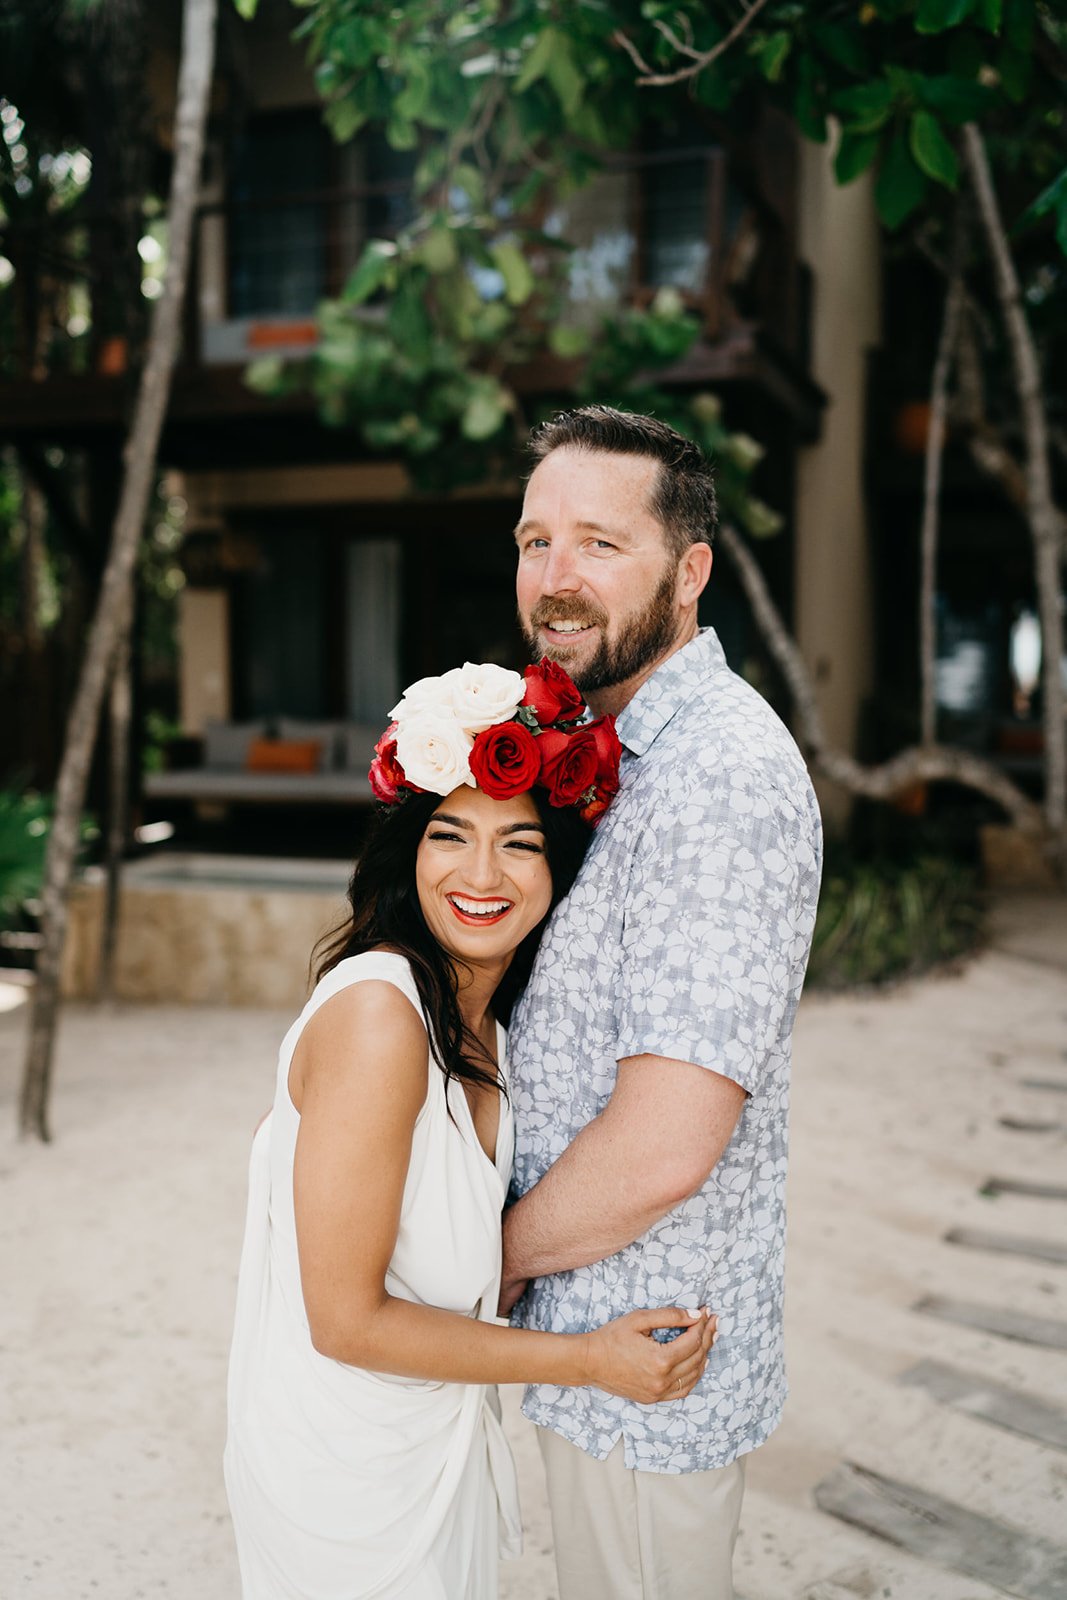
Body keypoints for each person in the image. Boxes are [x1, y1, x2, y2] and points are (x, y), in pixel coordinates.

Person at [223, 657, 717, 1600]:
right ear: (409, 850)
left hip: (428, 1442)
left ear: (556, 868)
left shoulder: (488, 1020)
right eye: (450, 834)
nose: (481, 874)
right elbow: (343, 1320)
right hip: (342, 1472)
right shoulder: (380, 1016)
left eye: (519, 844)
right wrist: (588, 1362)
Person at [502, 406, 823, 1600]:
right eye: (535, 541)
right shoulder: (621, 747)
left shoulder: (715, 779)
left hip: (638, 1356)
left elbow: (664, 1140)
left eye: (598, 542)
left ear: (688, 573)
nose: (555, 579)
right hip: (597, 1339)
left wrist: (491, 1265)